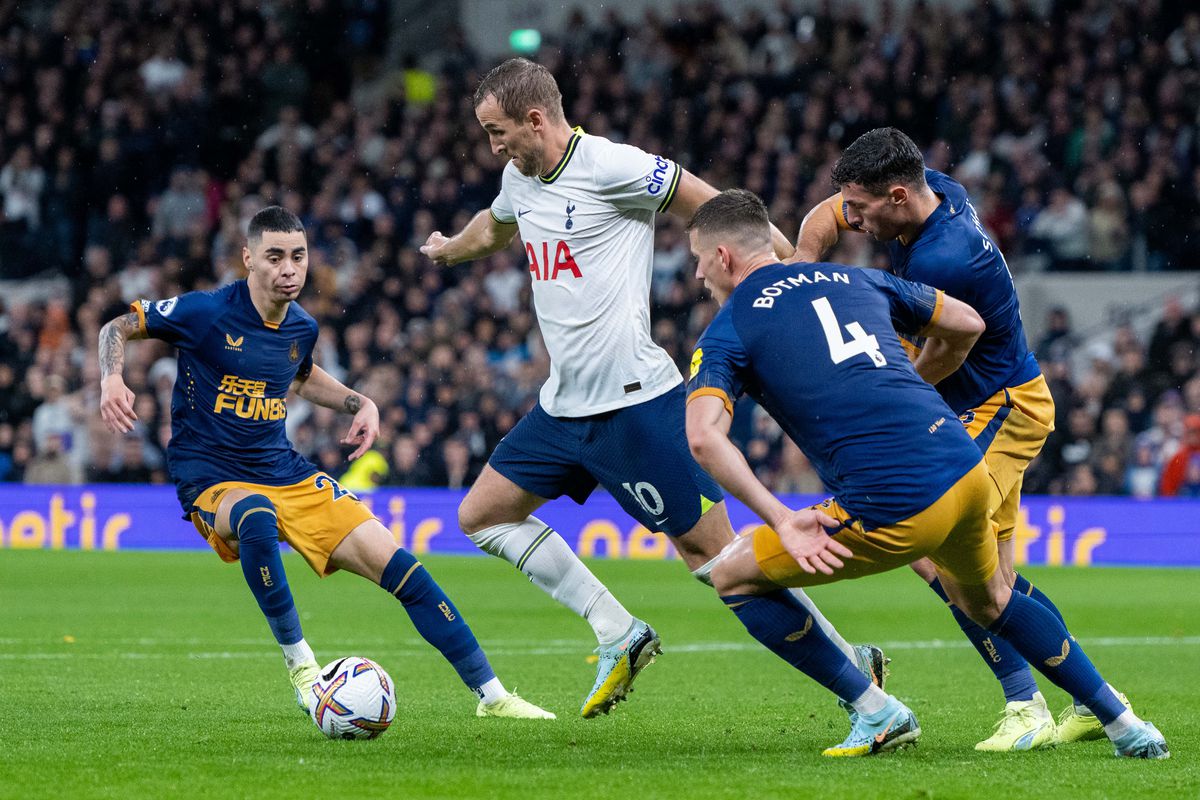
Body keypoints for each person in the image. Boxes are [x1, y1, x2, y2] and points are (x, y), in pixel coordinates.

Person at [420, 57, 884, 718]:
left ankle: (851, 662)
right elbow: (494, 225)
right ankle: (619, 632)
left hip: (636, 404)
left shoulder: (615, 167)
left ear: (536, 118)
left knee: (721, 560)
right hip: (564, 405)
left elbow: (719, 208)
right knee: (482, 515)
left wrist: (790, 267)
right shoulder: (518, 179)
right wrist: (450, 249)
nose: (493, 146)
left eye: (498, 132)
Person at [684, 189, 1169, 760]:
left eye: (696, 260)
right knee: (990, 598)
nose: (694, 275)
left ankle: (877, 711)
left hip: (894, 499)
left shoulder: (729, 328)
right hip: (962, 467)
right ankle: (1125, 724)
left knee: (731, 574)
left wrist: (783, 518)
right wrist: (917, 381)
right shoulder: (853, 279)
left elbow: (702, 437)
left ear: (723, 257)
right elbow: (966, 321)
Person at [98, 206, 552, 721]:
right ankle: (303, 669)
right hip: (211, 478)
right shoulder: (206, 313)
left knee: (403, 567)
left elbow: (301, 375)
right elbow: (118, 325)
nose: (289, 268)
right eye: (274, 257)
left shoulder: (301, 327)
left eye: (298, 256)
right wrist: (112, 378)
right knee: (255, 517)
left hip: (285, 471)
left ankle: (493, 697)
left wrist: (361, 403)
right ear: (248, 258)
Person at [794, 127, 1120, 750]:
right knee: (988, 578)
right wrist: (804, 269)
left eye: (862, 209)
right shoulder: (934, 191)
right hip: (986, 407)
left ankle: (1026, 705)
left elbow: (943, 349)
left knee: (946, 557)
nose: (853, 221)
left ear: (895, 196)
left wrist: (888, 404)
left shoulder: (945, 260)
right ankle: (1090, 700)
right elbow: (826, 213)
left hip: (1000, 407)